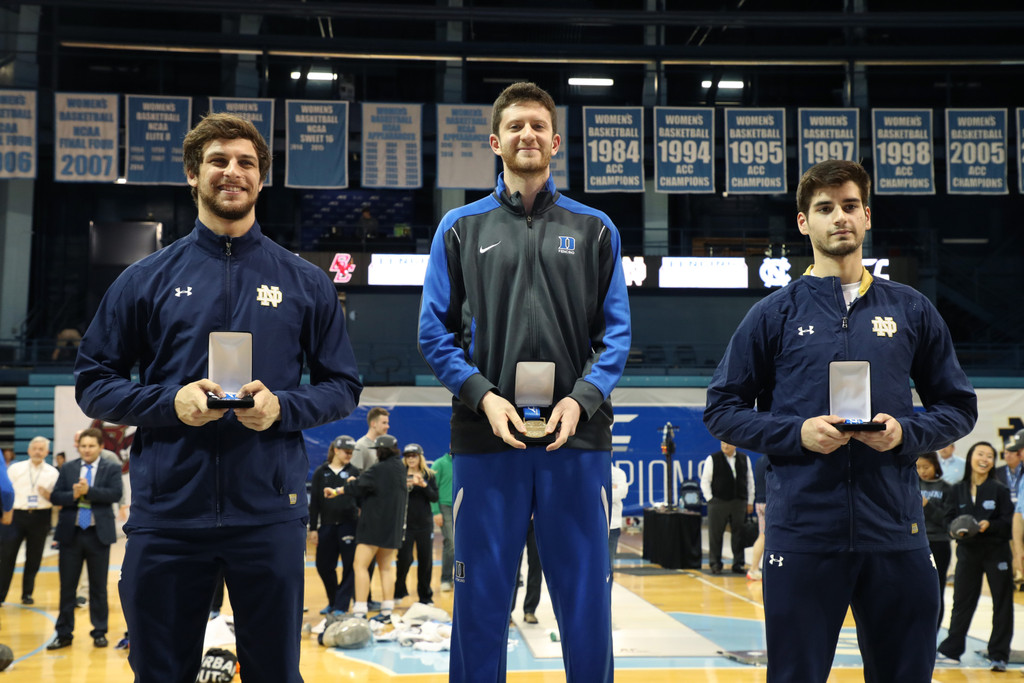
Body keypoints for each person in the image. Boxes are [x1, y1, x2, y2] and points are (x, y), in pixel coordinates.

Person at [73, 112, 362, 683]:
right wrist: (168, 403)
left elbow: (342, 386)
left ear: (261, 179)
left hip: (269, 512)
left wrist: (281, 408)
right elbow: (93, 381)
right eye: (218, 161)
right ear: (192, 174)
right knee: (160, 672)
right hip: (169, 513)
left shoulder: (304, 281)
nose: (233, 172)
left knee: (276, 673)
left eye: (246, 163)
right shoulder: (145, 279)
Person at [704, 159, 977, 683]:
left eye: (850, 206)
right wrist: (796, 433)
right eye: (825, 208)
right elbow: (722, 409)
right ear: (804, 223)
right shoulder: (773, 315)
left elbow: (958, 407)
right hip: (804, 535)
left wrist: (906, 433)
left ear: (867, 216)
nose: (840, 218)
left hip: (896, 533)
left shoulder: (911, 310)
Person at [417, 81, 631, 683]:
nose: (527, 135)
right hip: (488, 440)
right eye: (515, 126)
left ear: (556, 141)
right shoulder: (459, 228)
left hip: (576, 439)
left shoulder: (596, 229)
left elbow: (615, 335)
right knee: (481, 600)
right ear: (495, 141)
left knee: (586, 603)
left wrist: (581, 401)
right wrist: (483, 397)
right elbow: (434, 333)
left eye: (538, 125)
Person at [938, 441, 1014, 671]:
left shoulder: (999, 489)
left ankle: (999, 654)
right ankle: (952, 650)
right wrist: (956, 528)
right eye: (980, 454)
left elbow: (1008, 523)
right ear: (971, 457)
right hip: (968, 552)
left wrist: (988, 525)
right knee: (962, 602)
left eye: (990, 456)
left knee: (1002, 603)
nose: (985, 459)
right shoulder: (956, 489)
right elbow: (947, 519)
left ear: (993, 462)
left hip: (996, 551)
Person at [46, 427, 123, 650]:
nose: (87, 450)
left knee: (98, 587)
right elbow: (55, 496)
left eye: (91, 446)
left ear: (100, 447)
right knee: (67, 587)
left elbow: (115, 494)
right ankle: (64, 633)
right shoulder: (68, 468)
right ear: (77, 447)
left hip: (98, 535)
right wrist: (74, 495)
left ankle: (99, 631)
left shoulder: (111, 467)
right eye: (83, 446)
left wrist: (89, 491)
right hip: (71, 535)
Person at [332, 434, 408, 623]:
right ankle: (388, 611)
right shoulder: (400, 468)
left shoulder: (378, 469)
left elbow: (358, 486)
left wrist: (343, 487)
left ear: (381, 451)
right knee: (386, 568)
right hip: (393, 527)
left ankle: (359, 611)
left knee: (360, 566)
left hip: (373, 526)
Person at [0, 436, 59, 605]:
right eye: (35, 448)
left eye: (42, 449)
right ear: (28, 450)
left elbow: (57, 498)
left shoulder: (53, 472)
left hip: (40, 516)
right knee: (6, 556)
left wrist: (49, 496)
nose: (38, 452)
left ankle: (27, 594)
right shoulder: (14, 468)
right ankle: (1, 594)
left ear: (47, 452)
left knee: (34, 558)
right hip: (15, 516)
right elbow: (4, 491)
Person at [309, 435, 361, 616]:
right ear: (336, 450)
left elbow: (361, 498)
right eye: (346, 452)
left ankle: (341, 605)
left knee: (350, 566)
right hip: (327, 525)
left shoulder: (355, 471)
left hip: (349, 525)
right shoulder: (320, 472)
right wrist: (314, 528)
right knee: (323, 565)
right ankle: (333, 600)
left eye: (351, 452)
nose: (349, 455)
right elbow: (314, 502)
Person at [699, 441, 754, 575]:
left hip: (739, 502)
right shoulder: (712, 459)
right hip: (718, 502)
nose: (725, 447)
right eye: (722, 444)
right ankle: (715, 564)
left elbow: (750, 481)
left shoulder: (744, 458)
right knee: (715, 535)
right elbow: (705, 481)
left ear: (735, 444)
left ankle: (738, 564)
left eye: (728, 444)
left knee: (739, 534)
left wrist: (750, 501)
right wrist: (710, 499)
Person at [394, 443, 438, 605]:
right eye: (408, 456)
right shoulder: (400, 474)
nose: (411, 458)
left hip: (425, 525)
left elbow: (434, 497)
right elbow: (392, 496)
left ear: (420, 457)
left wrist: (423, 485)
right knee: (404, 559)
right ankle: (399, 591)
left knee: (426, 561)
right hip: (405, 525)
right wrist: (403, 487)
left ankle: (425, 596)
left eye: (414, 455)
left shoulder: (429, 475)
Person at [917, 451, 953, 629]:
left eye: (926, 467)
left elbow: (948, 520)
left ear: (935, 466)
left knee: (936, 590)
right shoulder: (911, 484)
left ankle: (934, 631)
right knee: (913, 590)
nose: (922, 471)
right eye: (918, 467)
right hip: (915, 543)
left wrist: (927, 505)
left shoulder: (946, 488)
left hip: (939, 543)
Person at [430, 449, 455, 591]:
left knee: (456, 545)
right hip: (444, 507)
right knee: (451, 542)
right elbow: (432, 489)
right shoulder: (439, 464)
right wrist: (436, 511)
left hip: (462, 506)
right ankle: (445, 579)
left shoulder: (464, 462)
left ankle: (458, 578)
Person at [511, 521, 543, 624]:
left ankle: (530, 610)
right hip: (517, 518)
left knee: (536, 566)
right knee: (513, 567)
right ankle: (508, 610)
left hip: (536, 521)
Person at [747, 454, 769, 581]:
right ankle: (753, 568)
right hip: (768, 503)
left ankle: (755, 568)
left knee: (763, 536)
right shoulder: (772, 459)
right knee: (763, 536)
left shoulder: (760, 460)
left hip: (760, 502)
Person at [352, 407, 390, 471]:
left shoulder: (385, 446)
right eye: (384, 423)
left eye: (387, 423)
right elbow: (354, 475)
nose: (387, 426)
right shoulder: (360, 446)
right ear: (373, 424)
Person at [609, 462, 628, 578]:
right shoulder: (589, 470)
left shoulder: (618, 474)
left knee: (608, 564)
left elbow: (619, 494)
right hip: (591, 527)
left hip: (612, 525)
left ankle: (606, 595)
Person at [994, 435, 1024, 506]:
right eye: (1006, 453)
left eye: (1011, 452)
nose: (1008, 455)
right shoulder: (996, 472)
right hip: (1004, 509)